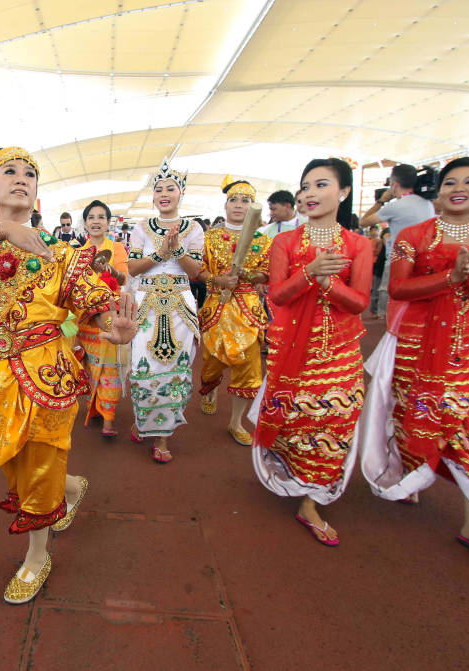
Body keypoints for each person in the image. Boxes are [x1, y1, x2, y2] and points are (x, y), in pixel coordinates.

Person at [0, 146, 134, 604]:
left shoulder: (61, 253)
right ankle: (71, 486)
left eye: (30, 174)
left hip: (47, 374)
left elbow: (94, 302)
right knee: (8, 458)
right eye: (10, 172)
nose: (21, 179)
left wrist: (114, 327)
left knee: (41, 466)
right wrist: (4, 229)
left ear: (37, 192)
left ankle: (36, 556)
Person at [361, 156, 469, 560]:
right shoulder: (415, 235)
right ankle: (411, 476)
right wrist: (451, 278)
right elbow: (398, 288)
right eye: (450, 182)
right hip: (416, 342)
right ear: (439, 190)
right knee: (413, 417)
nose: (458, 188)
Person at [251, 158, 371, 546]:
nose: (310, 193)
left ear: (344, 192)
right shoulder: (284, 242)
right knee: (296, 421)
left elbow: (360, 302)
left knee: (335, 420)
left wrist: (327, 283)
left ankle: (311, 502)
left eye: (321, 185)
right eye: (305, 186)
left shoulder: (359, 245)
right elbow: (278, 294)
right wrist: (309, 274)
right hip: (291, 349)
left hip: (339, 350)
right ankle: (289, 473)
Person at [126, 158, 205, 463]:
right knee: (143, 366)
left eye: (170, 188)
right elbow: (132, 266)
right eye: (159, 189)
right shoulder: (141, 228)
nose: (164, 193)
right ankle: (144, 421)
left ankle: (162, 436)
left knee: (177, 368)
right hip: (146, 303)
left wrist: (178, 251)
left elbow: (196, 271)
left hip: (179, 305)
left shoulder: (194, 228)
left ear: (180, 193)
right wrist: (160, 253)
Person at [196, 176, 271, 446]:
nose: (239, 204)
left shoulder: (263, 241)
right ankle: (209, 390)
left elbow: (266, 273)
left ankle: (236, 422)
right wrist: (216, 280)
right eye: (234, 200)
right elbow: (198, 270)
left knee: (250, 370)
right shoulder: (208, 237)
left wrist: (249, 275)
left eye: (246, 200)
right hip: (216, 307)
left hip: (247, 310)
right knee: (211, 364)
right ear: (225, 205)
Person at [78, 199, 128, 437]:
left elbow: (124, 279)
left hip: (111, 312)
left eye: (101, 217)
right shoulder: (77, 252)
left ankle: (108, 418)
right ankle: (95, 408)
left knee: (110, 366)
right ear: (85, 223)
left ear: (108, 223)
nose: (96, 221)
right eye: (91, 217)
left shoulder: (117, 248)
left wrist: (111, 271)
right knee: (91, 364)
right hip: (87, 318)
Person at [360, 164, 436, 319]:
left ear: (394, 184)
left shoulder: (396, 206)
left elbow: (363, 222)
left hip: (398, 261)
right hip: (423, 261)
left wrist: (381, 201)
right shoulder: (428, 204)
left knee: (392, 302)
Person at [368, 225, 386, 318]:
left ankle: (377, 311)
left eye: (376, 230)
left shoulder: (380, 242)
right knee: (376, 288)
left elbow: (375, 252)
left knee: (378, 289)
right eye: (373, 230)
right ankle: (375, 310)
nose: (374, 232)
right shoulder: (368, 240)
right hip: (375, 266)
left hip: (378, 266)